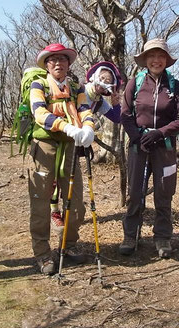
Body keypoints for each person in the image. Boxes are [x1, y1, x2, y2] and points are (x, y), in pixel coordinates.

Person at [29, 43, 96, 275]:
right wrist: (66, 127)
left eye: (63, 60)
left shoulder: (76, 87)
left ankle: (68, 245)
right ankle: (42, 253)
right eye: (53, 60)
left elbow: (85, 110)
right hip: (45, 146)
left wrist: (88, 128)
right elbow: (39, 113)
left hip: (70, 148)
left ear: (69, 64)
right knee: (40, 203)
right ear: (46, 64)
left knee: (76, 202)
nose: (58, 63)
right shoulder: (39, 85)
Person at [120, 38, 179, 258]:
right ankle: (131, 234)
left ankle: (162, 237)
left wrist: (160, 133)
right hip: (138, 146)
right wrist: (138, 137)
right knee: (135, 192)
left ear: (166, 60)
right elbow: (126, 114)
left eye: (160, 56)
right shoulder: (135, 83)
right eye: (152, 56)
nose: (156, 60)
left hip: (165, 147)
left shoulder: (175, 86)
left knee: (164, 192)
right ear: (145, 60)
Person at [50, 60, 123, 231]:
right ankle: (54, 212)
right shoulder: (78, 89)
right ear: (95, 76)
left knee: (69, 177)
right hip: (60, 135)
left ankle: (69, 213)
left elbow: (117, 118)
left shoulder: (98, 101)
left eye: (109, 81)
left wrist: (116, 103)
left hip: (77, 140)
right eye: (103, 78)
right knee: (56, 174)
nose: (105, 83)